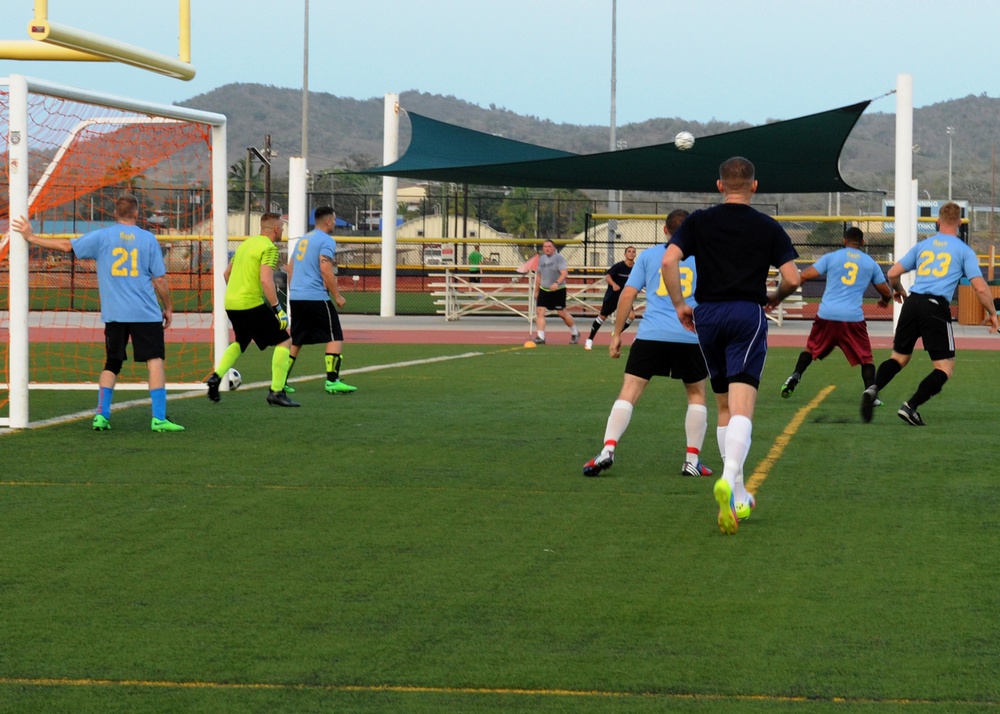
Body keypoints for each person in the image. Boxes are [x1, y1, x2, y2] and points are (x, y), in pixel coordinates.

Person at [662, 157, 800, 535]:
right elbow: (793, 277)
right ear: (754, 186)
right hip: (745, 314)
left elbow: (669, 261)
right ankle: (728, 477)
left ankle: (736, 493)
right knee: (742, 407)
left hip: (707, 316)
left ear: (720, 185)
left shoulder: (698, 221)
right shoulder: (767, 226)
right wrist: (775, 296)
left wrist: (679, 304)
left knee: (722, 403)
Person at [12, 196, 184, 432]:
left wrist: (31, 237)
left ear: (115, 214)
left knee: (112, 363)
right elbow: (160, 279)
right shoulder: (148, 239)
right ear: (136, 214)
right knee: (154, 362)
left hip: (115, 314)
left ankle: (101, 416)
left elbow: (67, 246)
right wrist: (168, 307)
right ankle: (159, 419)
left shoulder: (103, 236)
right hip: (145, 313)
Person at [583, 210, 716, 478]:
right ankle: (692, 460)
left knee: (630, 391)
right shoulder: (706, 258)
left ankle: (607, 449)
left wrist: (617, 334)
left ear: (665, 231)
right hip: (690, 336)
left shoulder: (649, 255)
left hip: (651, 334)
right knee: (696, 395)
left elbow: (626, 296)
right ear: (692, 231)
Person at [861, 201, 999, 425]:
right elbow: (981, 288)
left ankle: (873, 388)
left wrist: (898, 290)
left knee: (899, 358)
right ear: (960, 223)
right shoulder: (964, 251)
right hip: (935, 305)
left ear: (937, 222)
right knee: (944, 367)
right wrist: (992, 313)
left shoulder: (923, 246)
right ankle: (910, 406)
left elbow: (893, 272)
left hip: (912, 302)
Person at [781, 227, 893, 400]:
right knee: (866, 358)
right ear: (863, 243)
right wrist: (884, 302)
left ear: (844, 241)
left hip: (827, 314)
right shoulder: (870, 263)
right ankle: (871, 393)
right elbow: (886, 292)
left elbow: (804, 275)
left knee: (810, 348)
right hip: (852, 318)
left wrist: (787, 290)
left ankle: (795, 375)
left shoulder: (831, 257)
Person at [205, 212, 299, 407]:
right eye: (282, 227)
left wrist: (237, 292)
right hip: (250, 303)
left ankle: (216, 376)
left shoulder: (245, 244)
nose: (282, 230)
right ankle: (277, 391)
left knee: (242, 340)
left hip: (231, 302)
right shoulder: (270, 248)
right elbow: (266, 280)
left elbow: (226, 273)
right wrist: (278, 309)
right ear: (275, 229)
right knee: (284, 341)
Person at [284, 206, 357, 395]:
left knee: (297, 340)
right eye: (334, 219)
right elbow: (325, 269)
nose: (335, 221)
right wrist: (338, 296)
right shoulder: (327, 241)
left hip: (298, 297)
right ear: (328, 222)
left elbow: (290, 268)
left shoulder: (303, 239)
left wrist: (295, 293)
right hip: (315, 296)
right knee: (334, 336)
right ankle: (332, 381)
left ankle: (280, 380)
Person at [584, 245, 637, 350]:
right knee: (602, 317)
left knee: (631, 316)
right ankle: (590, 339)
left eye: (633, 252)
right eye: (629, 251)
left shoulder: (636, 267)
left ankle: (616, 333)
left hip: (625, 297)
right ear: (625, 254)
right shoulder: (619, 266)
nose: (631, 253)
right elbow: (608, 276)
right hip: (613, 295)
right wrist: (613, 284)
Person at [532, 239, 580, 344]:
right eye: (545, 247)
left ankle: (575, 333)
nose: (547, 248)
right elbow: (539, 276)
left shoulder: (559, 258)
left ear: (554, 248)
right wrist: (536, 290)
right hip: (544, 289)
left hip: (558, 290)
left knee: (562, 313)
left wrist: (557, 283)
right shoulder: (541, 259)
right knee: (540, 311)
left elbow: (564, 273)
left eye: (549, 246)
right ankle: (541, 337)